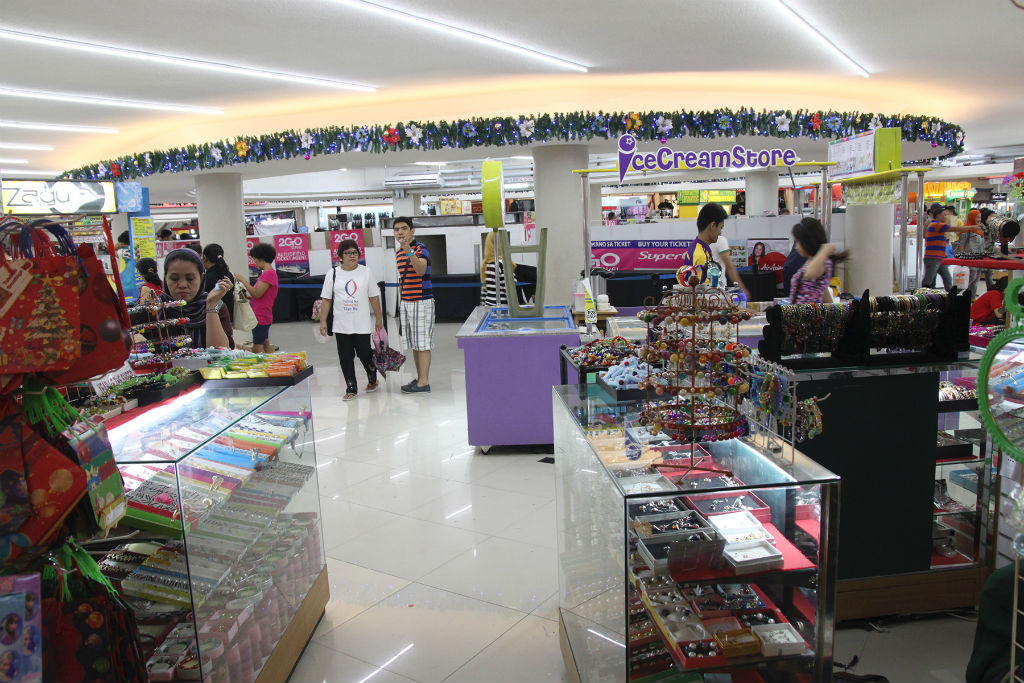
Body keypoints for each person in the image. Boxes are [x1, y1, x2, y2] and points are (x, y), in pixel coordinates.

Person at [319, 239, 384, 401]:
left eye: (355, 252)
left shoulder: (366, 272)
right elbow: (326, 299)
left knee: (365, 354)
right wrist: (323, 321)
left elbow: (374, 297)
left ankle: (372, 378)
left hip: (361, 323)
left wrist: (379, 318)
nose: (352, 256)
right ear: (340, 256)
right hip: (341, 324)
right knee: (345, 357)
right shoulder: (332, 273)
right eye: (348, 253)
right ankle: (351, 387)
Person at [156, 249, 233, 348]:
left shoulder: (217, 306)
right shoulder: (153, 310)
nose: (182, 285)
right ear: (165, 278)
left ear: (201, 278)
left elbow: (221, 352)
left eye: (190, 279)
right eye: (174, 279)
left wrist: (211, 306)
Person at [393, 216, 434, 393]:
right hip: (407, 301)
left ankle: (424, 382)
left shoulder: (420, 249)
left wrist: (409, 250)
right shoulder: (398, 252)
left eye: (404, 228)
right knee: (415, 343)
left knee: (422, 343)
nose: (400, 232)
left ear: (412, 231)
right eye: (397, 229)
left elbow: (421, 270)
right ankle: (420, 378)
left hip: (421, 301)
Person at [789, 217, 850, 304]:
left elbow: (809, 274)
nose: (796, 247)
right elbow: (824, 292)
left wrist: (826, 249)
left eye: (798, 242)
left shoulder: (823, 261)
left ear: (807, 242)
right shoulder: (813, 261)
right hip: (798, 311)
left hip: (808, 312)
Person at [233, 242, 278, 353]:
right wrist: (248, 297)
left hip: (261, 315)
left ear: (261, 259)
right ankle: (270, 362)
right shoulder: (267, 273)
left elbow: (257, 293)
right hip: (262, 314)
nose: (254, 263)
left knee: (257, 347)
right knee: (265, 343)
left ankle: (261, 363)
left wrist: (243, 281)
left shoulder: (268, 274)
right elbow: (261, 295)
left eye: (255, 259)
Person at [923, 203, 973, 289]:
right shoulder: (936, 225)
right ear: (938, 215)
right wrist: (972, 227)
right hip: (933, 257)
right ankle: (922, 295)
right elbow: (954, 229)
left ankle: (949, 295)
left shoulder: (934, 224)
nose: (946, 217)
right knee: (929, 280)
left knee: (946, 278)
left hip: (938, 257)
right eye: (944, 215)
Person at [681, 202, 727, 285]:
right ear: (713, 226)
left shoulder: (698, 247)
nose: (720, 232)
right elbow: (704, 290)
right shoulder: (700, 255)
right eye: (721, 227)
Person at [202, 244, 236, 322]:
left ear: (204, 258)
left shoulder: (206, 278)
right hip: (228, 316)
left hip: (212, 317)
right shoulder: (228, 275)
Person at [480, 232, 514, 306]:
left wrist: (483, 307)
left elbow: (484, 290)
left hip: (489, 306)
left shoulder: (485, 264)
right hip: (503, 308)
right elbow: (510, 290)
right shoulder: (503, 264)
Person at [713, 235, 751, 299]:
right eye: (720, 229)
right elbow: (729, 266)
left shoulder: (697, 242)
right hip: (719, 290)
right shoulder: (720, 240)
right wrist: (742, 289)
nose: (720, 232)